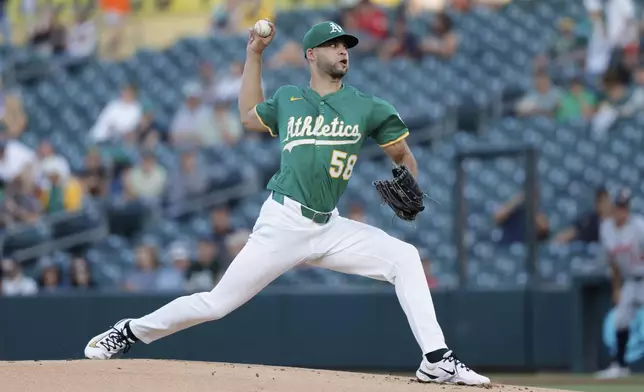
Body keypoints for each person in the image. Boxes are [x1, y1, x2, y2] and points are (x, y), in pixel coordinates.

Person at [83, 20, 489, 386]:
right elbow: (245, 116)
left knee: (405, 258)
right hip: (283, 221)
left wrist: (410, 176)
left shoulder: (367, 106)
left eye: (345, 45)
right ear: (311, 54)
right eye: (333, 45)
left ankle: (436, 360)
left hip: (330, 227)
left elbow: (402, 154)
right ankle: (130, 330)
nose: (343, 50)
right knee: (216, 304)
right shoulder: (289, 98)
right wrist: (254, 54)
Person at [595, 188, 644, 379]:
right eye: (619, 206)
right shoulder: (606, 228)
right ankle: (621, 366)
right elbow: (613, 261)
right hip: (631, 281)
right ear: (613, 208)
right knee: (621, 319)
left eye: (625, 207)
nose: (622, 211)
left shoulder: (639, 226)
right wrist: (616, 288)